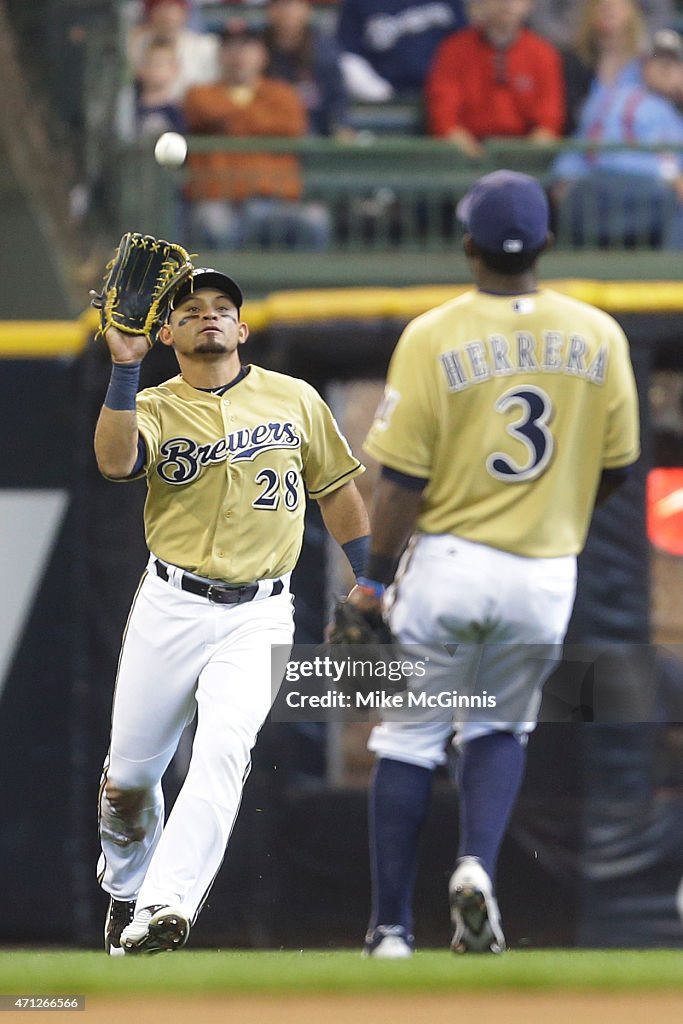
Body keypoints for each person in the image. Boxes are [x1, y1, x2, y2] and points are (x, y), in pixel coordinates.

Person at [345, 170, 640, 957]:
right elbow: (616, 466)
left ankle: (392, 931)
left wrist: (372, 579)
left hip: (447, 560)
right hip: (543, 570)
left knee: (409, 739)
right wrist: (558, 512)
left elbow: (401, 481)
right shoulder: (598, 332)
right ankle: (475, 866)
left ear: (467, 243)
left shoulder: (434, 332)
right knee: (499, 725)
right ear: (545, 241)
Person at [96, 266, 369, 954]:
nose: (209, 315)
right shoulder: (153, 403)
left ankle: (166, 904)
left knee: (223, 749)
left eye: (222, 307)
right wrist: (124, 370)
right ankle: (126, 887)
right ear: (167, 333)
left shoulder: (294, 399)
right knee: (127, 785)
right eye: (190, 310)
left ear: (243, 329)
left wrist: (368, 577)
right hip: (171, 604)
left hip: (259, 613)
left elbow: (336, 490)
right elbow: (114, 462)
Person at [183, 22, 330, 249]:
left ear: (263, 55)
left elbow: (293, 125)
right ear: (219, 56)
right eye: (230, 48)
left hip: (277, 202)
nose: (239, 55)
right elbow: (202, 111)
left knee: (315, 219)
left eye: (247, 47)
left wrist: (229, 122)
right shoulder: (199, 94)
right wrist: (262, 122)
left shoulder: (283, 94)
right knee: (213, 222)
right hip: (222, 201)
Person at [551, 30, 683, 248]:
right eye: (659, 62)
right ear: (643, 65)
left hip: (639, 201)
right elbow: (603, 156)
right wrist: (671, 176)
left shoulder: (670, 112)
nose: (666, 71)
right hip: (605, 193)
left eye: (674, 64)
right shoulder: (624, 98)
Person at [425, 0, 565, 159]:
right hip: (465, 157)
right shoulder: (453, 50)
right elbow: (444, 120)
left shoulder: (543, 54)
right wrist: (478, 158)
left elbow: (549, 123)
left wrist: (520, 160)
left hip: (524, 156)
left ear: (530, 5)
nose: (507, 4)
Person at [337, 0, 468, 101]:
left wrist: (446, 91)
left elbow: (465, 46)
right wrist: (378, 93)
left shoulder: (450, 2)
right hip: (384, 99)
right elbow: (349, 56)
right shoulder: (359, 3)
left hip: (444, 95)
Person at [264, 0, 353, 137]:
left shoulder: (324, 50)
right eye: (280, 5)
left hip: (316, 131)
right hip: (270, 132)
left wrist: (340, 126)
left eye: (293, 5)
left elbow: (337, 97)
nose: (287, 12)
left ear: (307, 10)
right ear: (270, 11)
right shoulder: (258, 50)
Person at [127, 0, 219, 102]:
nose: (168, 16)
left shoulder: (204, 47)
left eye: (172, 9)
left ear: (184, 14)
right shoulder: (137, 45)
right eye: (161, 9)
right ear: (150, 14)